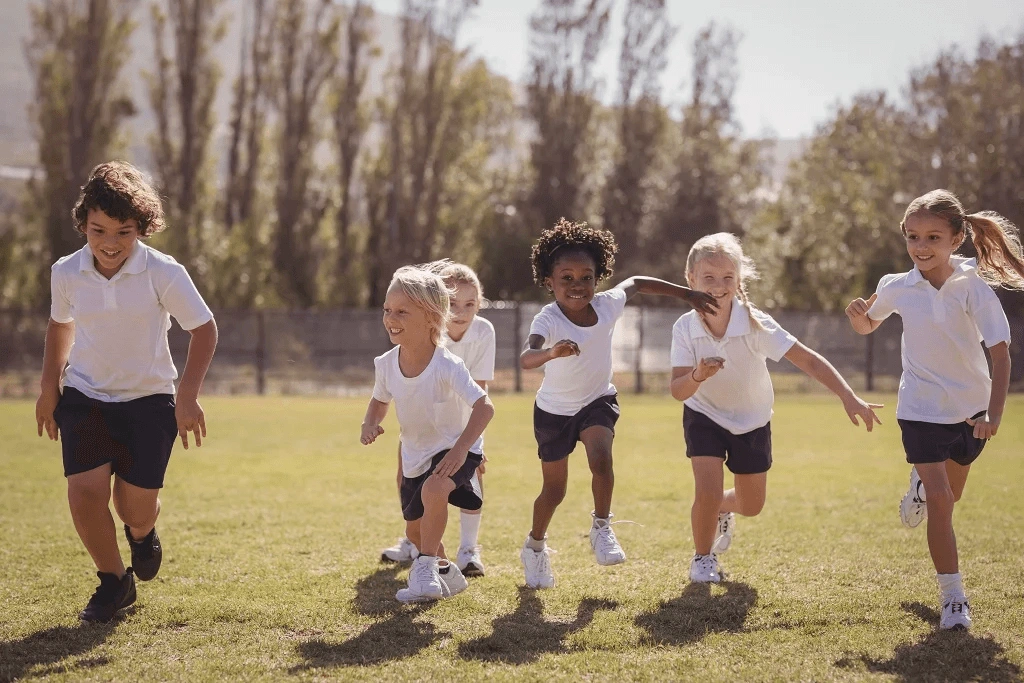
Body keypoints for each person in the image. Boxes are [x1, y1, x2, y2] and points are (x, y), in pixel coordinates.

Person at [35, 161, 218, 622]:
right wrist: (47, 390)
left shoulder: (163, 272)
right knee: (84, 494)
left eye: (124, 231)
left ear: (143, 228)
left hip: (150, 401)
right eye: (99, 230)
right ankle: (114, 582)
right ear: (83, 225)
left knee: (132, 506)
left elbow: (204, 329)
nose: (110, 243)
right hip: (85, 396)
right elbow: (60, 327)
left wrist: (189, 396)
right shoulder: (66, 272)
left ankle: (141, 533)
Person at [846, 190, 1022, 630]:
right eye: (912, 237)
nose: (921, 247)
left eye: (932, 237)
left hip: (970, 411)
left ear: (957, 238)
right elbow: (869, 322)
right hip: (920, 407)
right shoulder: (896, 286)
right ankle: (953, 598)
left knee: (951, 497)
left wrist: (993, 416)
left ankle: (921, 489)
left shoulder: (974, 289)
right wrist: (857, 318)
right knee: (943, 501)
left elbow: (1001, 356)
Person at [519, 218, 718, 589]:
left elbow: (638, 283)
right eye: (567, 278)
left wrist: (687, 295)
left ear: (598, 277)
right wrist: (551, 353)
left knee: (601, 460)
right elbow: (526, 358)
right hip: (554, 412)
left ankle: (601, 527)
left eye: (587, 277)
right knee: (554, 491)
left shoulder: (608, 305)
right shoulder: (547, 318)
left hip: (596, 401)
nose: (578, 286)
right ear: (549, 281)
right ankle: (534, 547)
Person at [672, 232, 881, 584]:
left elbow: (810, 362)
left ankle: (723, 507)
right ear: (690, 279)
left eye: (727, 278)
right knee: (705, 490)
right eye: (708, 277)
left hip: (752, 421)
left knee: (752, 505)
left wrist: (848, 396)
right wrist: (698, 375)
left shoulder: (757, 324)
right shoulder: (684, 328)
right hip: (704, 414)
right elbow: (679, 390)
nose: (718, 286)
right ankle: (702, 559)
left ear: (738, 281)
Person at [361, 265, 495, 603]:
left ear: (431, 316)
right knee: (415, 529)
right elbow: (379, 401)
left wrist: (462, 450)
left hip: (457, 448)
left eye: (402, 311)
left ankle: (423, 570)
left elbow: (485, 408)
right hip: (415, 454)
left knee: (435, 490)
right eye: (387, 310)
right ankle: (447, 572)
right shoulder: (386, 364)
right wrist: (370, 423)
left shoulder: (448, 364)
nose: (391, 317)